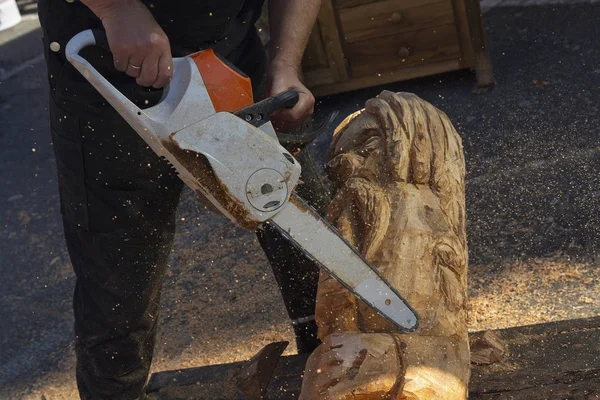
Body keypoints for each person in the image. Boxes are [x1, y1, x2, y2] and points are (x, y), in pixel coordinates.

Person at [37, 0, 324, 398]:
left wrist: (286, 62)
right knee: (118, 287)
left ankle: (335, 371)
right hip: (108, 64)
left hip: (228, 58)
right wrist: (117, 10)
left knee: (315, 255)